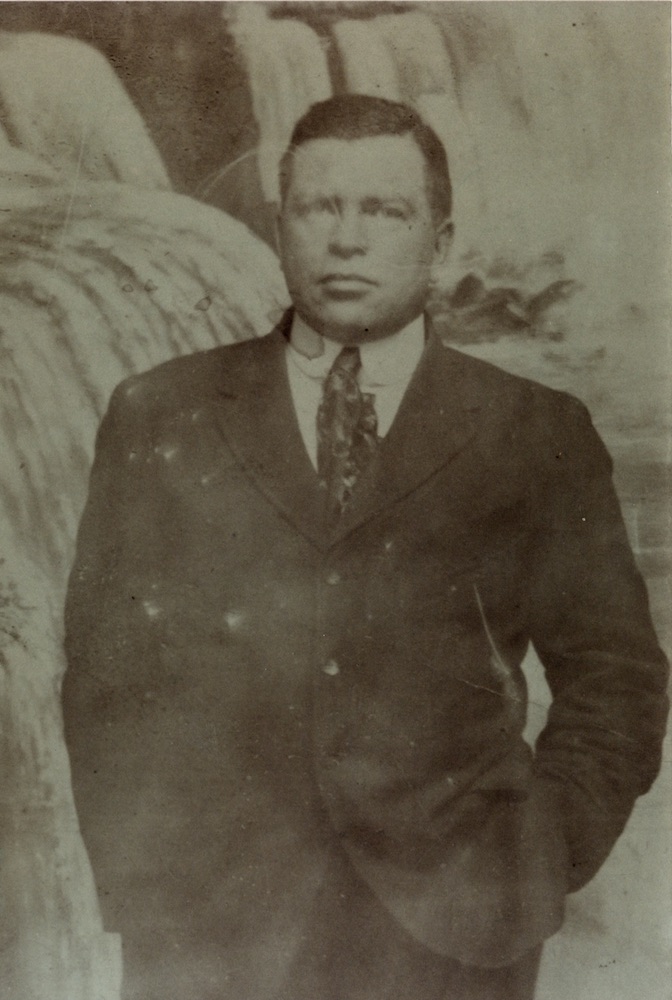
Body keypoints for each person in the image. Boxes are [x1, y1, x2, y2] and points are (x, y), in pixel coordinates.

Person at [62, 95, 669, 1000]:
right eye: (319, 209)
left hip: (458, 927)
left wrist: (538, 852)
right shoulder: (162, 412)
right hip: (214, 934)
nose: (347, 240)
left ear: (443, 239)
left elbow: (616, 679)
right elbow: (107, 675)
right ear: (280, 226)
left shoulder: (536, 432)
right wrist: (151, 889)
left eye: (384, 212)